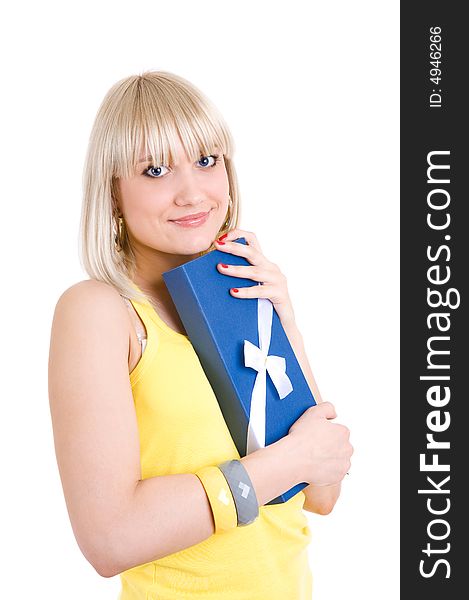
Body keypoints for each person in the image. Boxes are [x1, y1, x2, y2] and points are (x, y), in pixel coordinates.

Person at [48, 70, 353, 599]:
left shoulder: (234, 294)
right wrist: (285, 462)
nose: (192, 193)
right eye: (156, 169)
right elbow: (109, 538)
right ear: (113, 193)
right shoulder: (100, 312)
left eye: (207, 161)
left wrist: (284, 322)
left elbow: (320, 490)